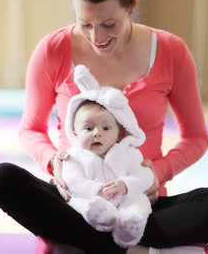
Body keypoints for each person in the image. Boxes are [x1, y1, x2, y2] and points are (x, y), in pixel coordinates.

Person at [0, 0, 208, 253]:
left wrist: (156, 173)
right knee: (1, 178)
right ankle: (121, 241)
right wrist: (52, 161)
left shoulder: (172, 51)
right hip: (77, 201)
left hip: (140, 201)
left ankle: (99, 240)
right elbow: (30, 129)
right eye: (85, 24)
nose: (97, 37)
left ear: (132, 3)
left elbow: (197, 137)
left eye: (108, 24)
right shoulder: (51, 49)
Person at [62, 64, 154, 248]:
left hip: (125, 199)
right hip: (92, 200)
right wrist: (97, 190)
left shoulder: (128, 153)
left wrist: (125, 185)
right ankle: (101, 217)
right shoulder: (73, 156)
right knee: (75, 203)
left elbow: (145, 175)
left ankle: (130, 226)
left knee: (140, 202)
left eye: (106, 128)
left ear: (120, 133)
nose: (97, 133)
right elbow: (72, 180)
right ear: (75, 132)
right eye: (88, 128)